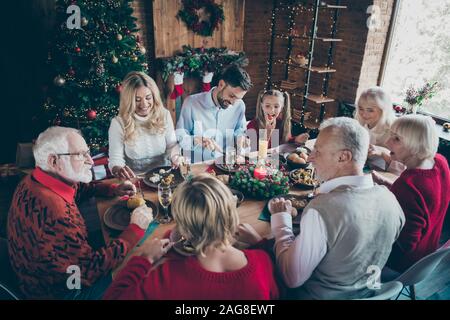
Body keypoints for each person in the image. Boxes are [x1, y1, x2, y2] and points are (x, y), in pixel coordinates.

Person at [240, 117, 405, 299]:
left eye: (317, 151)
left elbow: (291, 277)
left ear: (343, 157)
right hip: (366, 293)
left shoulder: (322, 209)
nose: (310, 157)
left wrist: (281, 220)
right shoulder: (392, 200)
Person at [7, 127, 153, 299]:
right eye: (80, 155)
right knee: (141, 275)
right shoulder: (56, 215)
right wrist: (135, 229)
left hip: (42, 269)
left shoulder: (38, 178)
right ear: (54, 161)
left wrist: (112, 189)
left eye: (88, 153)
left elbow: (76, 187)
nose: (90, 161)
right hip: (63, 291)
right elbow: (88, 271)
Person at [103, 174, 279, 300]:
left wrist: (144, 259)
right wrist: (260, 243)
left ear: (184, 229)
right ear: (231, 213)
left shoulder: (166, 279)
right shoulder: (262, 262)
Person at [372, 115, 450, 272]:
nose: (387, 142)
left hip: (399, 264)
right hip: (426, 254)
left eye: (397, 139)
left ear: (416, 145)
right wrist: (388, 184)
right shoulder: (440, 162)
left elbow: (405, 244)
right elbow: (425, 201)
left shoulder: (408, 185)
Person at [108, 71, 180, 179]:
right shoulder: (118, 123)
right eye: (137, 100)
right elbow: (116, 159)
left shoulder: (164, 115)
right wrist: (119, 170)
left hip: (165, 175)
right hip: (135, 179)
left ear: (154, 96)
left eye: (148, 97)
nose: (144, 104)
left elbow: (172, 146)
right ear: (128, 101)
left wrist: (175, 157)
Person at [176, 64, 252, 162]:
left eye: (238, 98)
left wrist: (241, 138)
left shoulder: (239, 105)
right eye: (232, 96)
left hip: (226, 164)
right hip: (198, 165)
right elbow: (180, 137)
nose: (233, 103)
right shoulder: (191, 103)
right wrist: (197, 140)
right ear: (221, 84)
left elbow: (240, 130)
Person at [355, 87, 404, 174]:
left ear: (383, 111)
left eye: (370, 110)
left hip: (384, 176)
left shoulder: (395, 130)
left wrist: (382, 152)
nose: (364, 114)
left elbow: (401, 168)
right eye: (361, 109)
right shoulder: (360, 123)